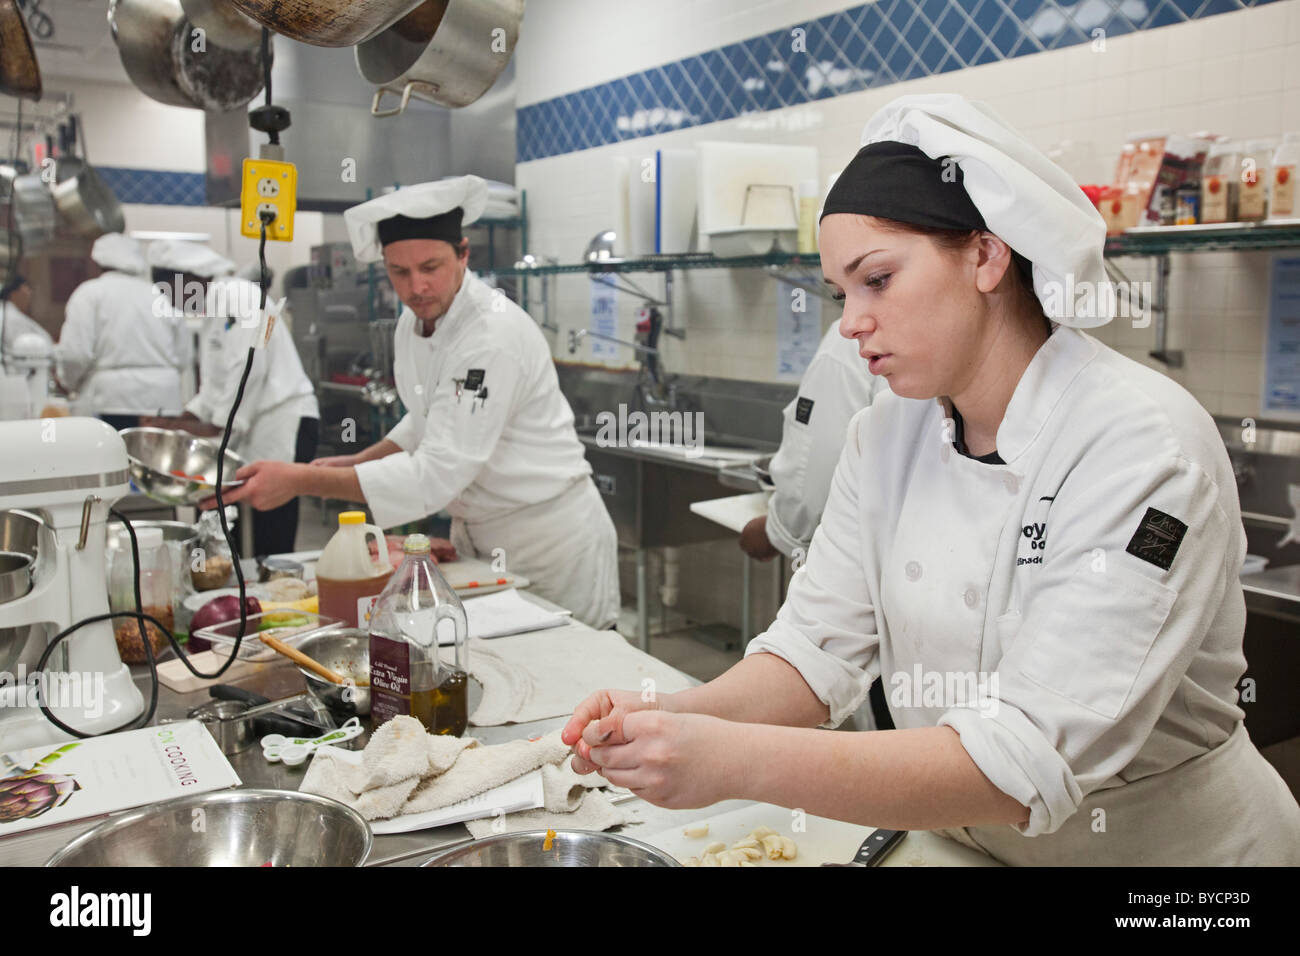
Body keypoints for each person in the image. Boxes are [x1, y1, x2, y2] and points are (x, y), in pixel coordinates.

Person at [560, 94, 1300, 865]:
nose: (848, 322)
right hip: (963, 846)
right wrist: (674, 714)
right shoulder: (885, 431)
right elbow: (817, 648)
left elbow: (1021, 761)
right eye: (840, 293)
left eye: (876, 279)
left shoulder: (1140, 446)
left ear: (986, 256)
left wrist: (727, 759)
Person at [214, 176, 621, 629]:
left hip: (548, 542)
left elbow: (438, 471)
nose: (417, 287)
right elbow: (426, 416)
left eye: (432, 266)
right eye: (399, 272)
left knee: (567, 676)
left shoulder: (490, 336)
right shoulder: (414, 324)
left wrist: (303, 480)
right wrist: (356, 461)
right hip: (479, 535)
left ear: (464, 254)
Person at [143, 240, 319, 557]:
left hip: (284, 423)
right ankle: (233, 590)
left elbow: (250, 366)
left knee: (271, 523)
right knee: (226, 517)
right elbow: (215, 385)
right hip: (252, 425)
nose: (175, 303)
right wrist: (179, 420)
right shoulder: (215, 309)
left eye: (173, 294)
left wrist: (216, 424)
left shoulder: (240, 296)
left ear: (191, 280)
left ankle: (276, 592)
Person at [739, 320, 888, 562]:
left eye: (876, 281)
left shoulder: (850, 337)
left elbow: (818, 461)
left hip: (858, 559)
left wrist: (779, 531)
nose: (850, 315)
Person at [55, 233, 192, 431]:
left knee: (114, 459)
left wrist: (68, 383)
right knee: (157, 459)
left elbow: (75, 354)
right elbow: (183, 357)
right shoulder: (161, 296)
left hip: (112, 402)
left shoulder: (89, 293)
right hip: (163, 402)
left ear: (98, 263)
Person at [0, 275, 52, 373]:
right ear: (14, 292)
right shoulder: (11, 318)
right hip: (21, 379)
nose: (30, 293)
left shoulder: (9, 313)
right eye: (27, 288)